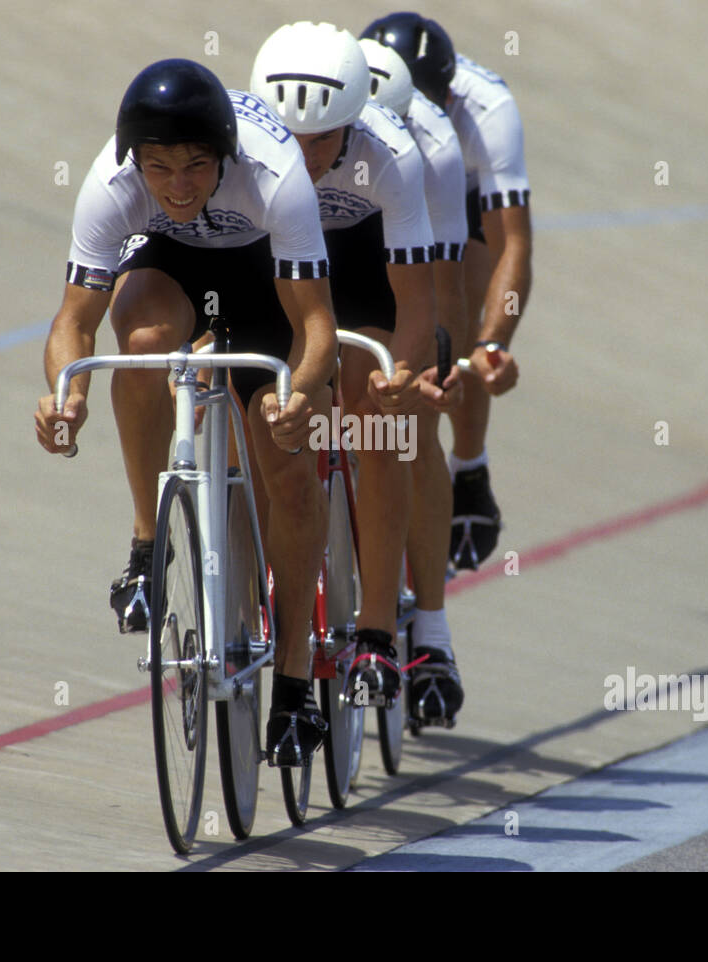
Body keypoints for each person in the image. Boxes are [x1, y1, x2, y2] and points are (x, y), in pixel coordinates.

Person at [33, 58, 338, 766]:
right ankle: (148, 547)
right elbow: (72, 326)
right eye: (159, 168)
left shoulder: (276, 177)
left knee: (287, 462)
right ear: (133, 160)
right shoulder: (110, 185)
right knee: (139, 343)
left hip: (264, 271)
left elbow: (316, 329)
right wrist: (65, 394)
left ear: (225, 157)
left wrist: (299, 395)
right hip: (172, 264)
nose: (177, 185)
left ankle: (295, 685)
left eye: (197, 166)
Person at [250, 22, 451, 710]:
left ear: (354, 123)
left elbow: (417, 301)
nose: (304, 157)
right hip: (275, 259)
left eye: (322, 141)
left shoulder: (390, 154)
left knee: (376, 416)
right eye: (291, 140)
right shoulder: (245, 145)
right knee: (257, 387)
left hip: (361, 262)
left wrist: (402, 372)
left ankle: (374, 628)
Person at [361, 13, 533, 572]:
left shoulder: (486, 111)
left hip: (459, 197)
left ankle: (467, 462)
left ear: (447, 94)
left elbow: (513, 245)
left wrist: (493, 342)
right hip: (381, 187)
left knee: (457, 317)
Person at [358, 37, 467, 724]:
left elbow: (442, 289)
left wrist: (434, 369)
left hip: (402, 266)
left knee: (410, 427)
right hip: (328, 251)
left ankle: (430, 630)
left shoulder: (434, 151)